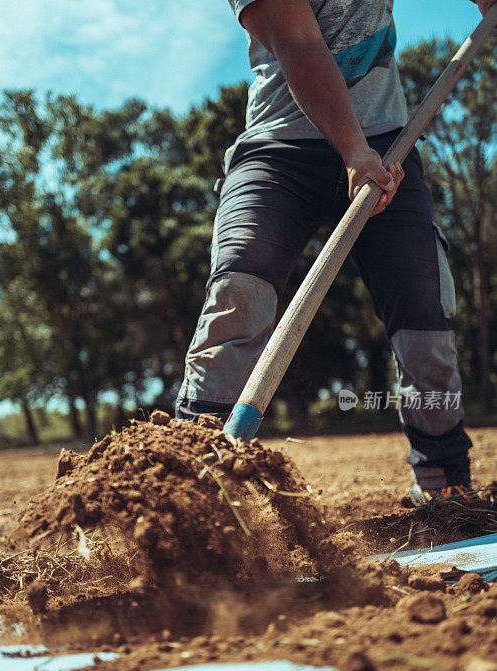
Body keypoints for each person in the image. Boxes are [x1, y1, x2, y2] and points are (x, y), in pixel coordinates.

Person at [176, 0, 494, 506]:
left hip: (388, 141)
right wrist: (352, 150)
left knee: (424, 318)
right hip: (278, 149)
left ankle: (444, 484)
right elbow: (300, 43)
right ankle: (189, 490)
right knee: (241, 289)